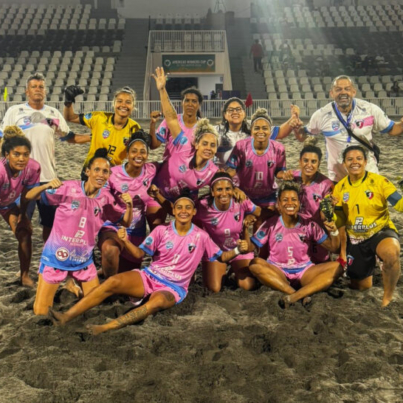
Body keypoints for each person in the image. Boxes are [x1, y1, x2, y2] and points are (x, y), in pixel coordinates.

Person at [48, 191, 250, 335]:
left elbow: (221, 258)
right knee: (111, 282)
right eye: (180, 207)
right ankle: (67, 316)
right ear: (174, 211)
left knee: (156, 303)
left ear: (194, 212)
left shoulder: (202, 236)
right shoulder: (161, 231)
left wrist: (238, 250)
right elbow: (138, 254)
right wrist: (125, 241)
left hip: (175, 287)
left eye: (188, 208)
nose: (184, 211)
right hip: (150, 276)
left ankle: (106, 327)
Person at [25, 148, 133, 315]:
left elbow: (125, 222)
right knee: (40, 312)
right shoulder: (68, 188)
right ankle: (69, 286)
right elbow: (30, 195)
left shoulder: (106, 199)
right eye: (96, 169)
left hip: (83, 261)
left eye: (105, 171)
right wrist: (46, 185)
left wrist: (130, 206)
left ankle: (74, 287)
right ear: (87, 171)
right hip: (56, 258)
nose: (101, 174)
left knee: (93, 306)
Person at [0, 72, 73, 241]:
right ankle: (25, 268)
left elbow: (69, 136)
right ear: (27, 91)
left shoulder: (53, 112)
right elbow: (3, 138)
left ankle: (46, 265)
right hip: (23, 178)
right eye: (34, 87)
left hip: (48, 177)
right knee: (21, 224)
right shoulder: (14, 111)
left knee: (50, 224)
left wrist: (95, 137)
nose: (38, 90)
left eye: (41, 87)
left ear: (45, 91)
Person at [248, 181, 342, 307]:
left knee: (338, 267)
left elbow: (334, 248)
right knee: (255, 264)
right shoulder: (271, 224)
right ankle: (297, 294)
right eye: (285, 200)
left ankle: (294, 296)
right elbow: (251, 246)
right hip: (278, 270)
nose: (290, 203)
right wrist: (244, 229)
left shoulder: (309, 224)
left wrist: (334, 232)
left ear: (299, 204)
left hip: (304, 271)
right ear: (279, 205)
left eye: (294, 199)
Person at [297, 75, 403, 182]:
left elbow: (392, 129)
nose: (343, 92)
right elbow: (303, 136)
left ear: (353, 92)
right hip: (339, 177)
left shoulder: (369, 110)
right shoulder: (321, 115)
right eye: (338, 89)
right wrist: (296, 127)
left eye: (347, 89)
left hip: (368, 172)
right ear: (331, 93)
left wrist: (402, 124)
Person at [333, 145, 403, 307]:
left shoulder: (379, 181)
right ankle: (370, 266)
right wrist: (331, 219)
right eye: (350, 159)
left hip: (379, 231)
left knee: (391, 255)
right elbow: (340, 219)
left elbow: (399, 203)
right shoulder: (340, 188)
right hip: (356, 239)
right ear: (344, 164)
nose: (354, 162)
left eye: (359, 158)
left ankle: (388, 296)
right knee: (361, 287)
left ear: (365, 162)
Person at [98, 131, 158, 278]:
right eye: (134, 151)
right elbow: (101, 199)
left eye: (143, 152)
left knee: (125, 273)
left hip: (136, 231)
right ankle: (109, 288)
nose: (139, 155)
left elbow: (174, 165)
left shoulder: (151, 170)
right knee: (110, 251)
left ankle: (103, 271)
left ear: (147, 155)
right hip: (114, 226)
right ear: (127, 154)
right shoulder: (112, 173)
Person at [193, 172, 261, 292]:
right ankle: (222, 270)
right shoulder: (203, 206)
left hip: (238, 249)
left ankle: (234, 272)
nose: (224, 193)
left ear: (233, 190)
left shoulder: (240, 200)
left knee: (248, 286)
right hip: (216, 252)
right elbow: (189, 220)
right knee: (213, 289)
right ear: (212, 192)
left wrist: (250, 216)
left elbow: (259, 212)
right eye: (219, 189)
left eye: (228, 189)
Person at [62, 85, 142, 178]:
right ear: (114, 103)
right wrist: (68, 102)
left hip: (112, 176)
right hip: (90, 172)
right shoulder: (99, 118)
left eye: (128, 102)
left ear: (133, 106)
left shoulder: (135, 128)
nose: (123, 105)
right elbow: (70, 117)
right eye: (119, 101)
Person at [226, 108, 293, 209]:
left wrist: (285, 175)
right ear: (251, 130)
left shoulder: (279, 148)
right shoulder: (241, 147)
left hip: (269, 196)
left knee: (265, 222)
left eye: (265, 128)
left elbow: (278, 173)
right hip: (244, 195)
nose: (261, 131)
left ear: (270, 131)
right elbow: (231, 170)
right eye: (257, 128)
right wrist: (228, 181)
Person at [0, 126, 40, 287]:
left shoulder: (33, 167)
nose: (21, 159)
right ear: (7, 155)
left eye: (25, 154)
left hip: (8, 203)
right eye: (16, 154)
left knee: (24, 233)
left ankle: (24, 275)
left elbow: (26, 195)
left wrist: (23, 216)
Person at [214, 97, 302, 170]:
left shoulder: (254, 126)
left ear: (244, 113)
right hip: (225, 179)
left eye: (238, 109)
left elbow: (280, 132)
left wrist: (293, 118)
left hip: (248, 178)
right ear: (225, 114)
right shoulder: (216, 131)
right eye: (230, 110)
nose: (235, 112)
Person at [292, 138, 334, 263]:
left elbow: (325, 216)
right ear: (300, 161)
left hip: (317, 231)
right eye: (305, 160)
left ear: (319, 163)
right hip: (295, 229)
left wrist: (329, 208)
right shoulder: (292, 179)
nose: (309, 165)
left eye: (313, 161)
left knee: (321, 264)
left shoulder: (326, 184)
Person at [150, 66, 203, 160]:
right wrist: (152, 124)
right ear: (182, 103)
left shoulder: (203, 126)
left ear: (199, 104)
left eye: (194, 101)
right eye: (187, 101)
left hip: (191, 172)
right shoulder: (169, 122)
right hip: (169, 170)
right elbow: (153, 146)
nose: (190, 104)